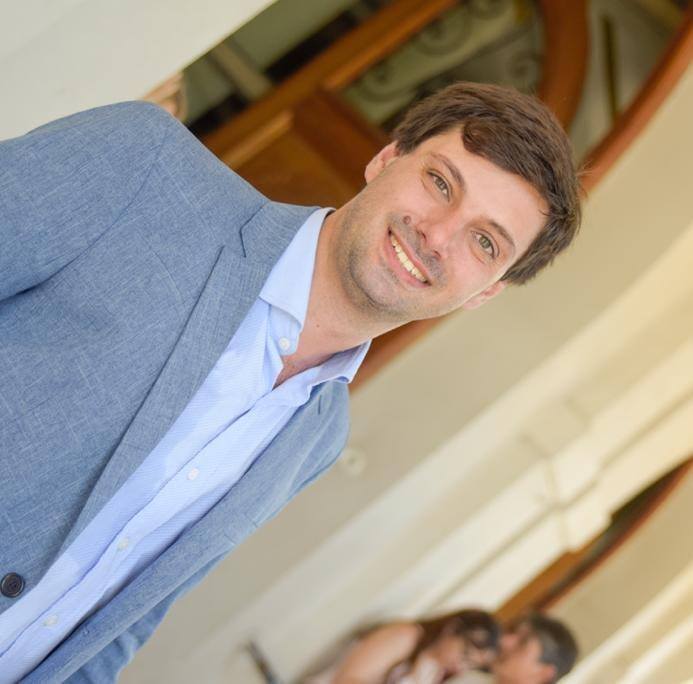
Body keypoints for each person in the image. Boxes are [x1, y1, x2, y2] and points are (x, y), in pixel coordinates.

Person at [0, 81, 581, 681]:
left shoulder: (320, 437)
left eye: (484, 242)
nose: (437, 233)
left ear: (486, 292)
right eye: (440, 182)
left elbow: (124, 618)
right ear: (386, 158)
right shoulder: (144, 164)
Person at [308, 608, 501, 683]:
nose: (460, 666)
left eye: (470, 664)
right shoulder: (405, 635)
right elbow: (347, 678)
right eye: (464, 655)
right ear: (451, 629)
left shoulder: (433, 671)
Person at [451, 613, 579, 684]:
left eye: (523, 643)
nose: (504, 641)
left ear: (543, 673)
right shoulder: (469, 677)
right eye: (511, 631)